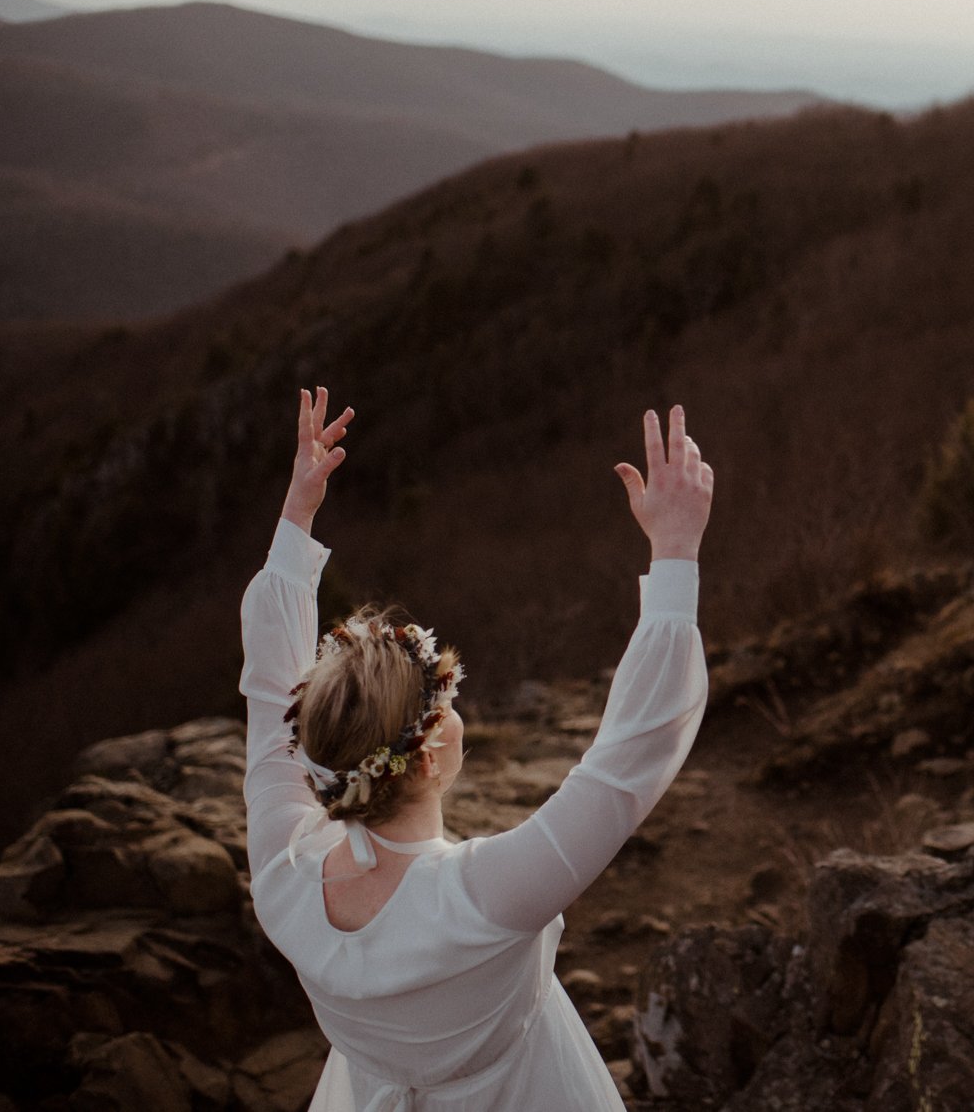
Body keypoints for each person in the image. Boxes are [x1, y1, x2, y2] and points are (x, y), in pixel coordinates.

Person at [241, 388, 713, 1111]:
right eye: (449, 703)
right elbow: (625, 764)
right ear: (429, 757)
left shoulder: (283, 875)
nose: (459, 709)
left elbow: (271, 694)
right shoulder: (488, 898)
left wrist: (296, 515)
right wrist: (675, 554)